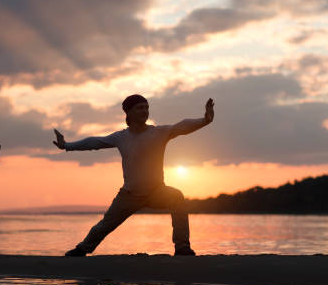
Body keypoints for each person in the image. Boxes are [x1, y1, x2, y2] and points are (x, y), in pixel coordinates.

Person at [53, 95, 214, 256]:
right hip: (129, 195)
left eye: (146, 107)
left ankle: (182, 248)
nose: (145, 111)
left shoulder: (159, 132)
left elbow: (181, 126)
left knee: (177, 197)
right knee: (104, 226)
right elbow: (94, 142)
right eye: (140, 108)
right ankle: (82, 249)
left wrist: (205, 120)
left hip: (157, 192)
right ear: (128, 113)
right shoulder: (121, 137)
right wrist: (67, 145)